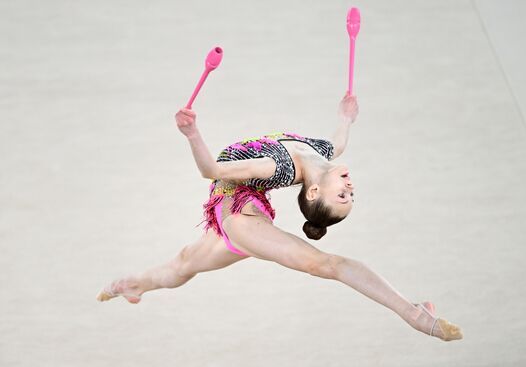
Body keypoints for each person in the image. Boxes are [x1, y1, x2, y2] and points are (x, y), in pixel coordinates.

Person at [97, 93, 463, 342]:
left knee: (326, 264)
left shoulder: (278, 166)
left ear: (314, 192)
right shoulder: (323, 153)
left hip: (240, 216)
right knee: (182, 264)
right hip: (233, 215)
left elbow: (211, 169)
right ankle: (134, 284)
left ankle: (413, 315)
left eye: (343, 197)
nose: (350, 188)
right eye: (350, 195)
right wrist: (346, 116)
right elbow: (338, 142)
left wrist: (192, 133)